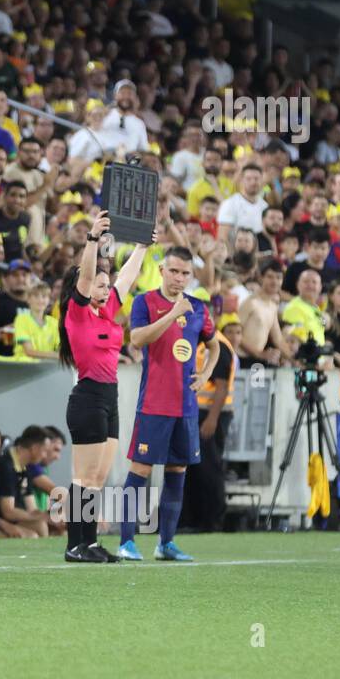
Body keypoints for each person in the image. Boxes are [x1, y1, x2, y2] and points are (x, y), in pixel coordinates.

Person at [118, 246, 223, 562]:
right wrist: (172, 314)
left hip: (186, 406)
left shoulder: (199, 309)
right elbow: (137, 340)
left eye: (185, 273)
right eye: (174, 271)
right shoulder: (145, 302)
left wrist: (205, 374)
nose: (179, 278)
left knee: (177, 470)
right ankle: (126, 542)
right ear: (162, 270)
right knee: (140, 469)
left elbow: (215, 347)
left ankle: (166, 543)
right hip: (153, 403)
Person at [57, 210, 149, 562]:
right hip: (88, 397)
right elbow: (85, 277)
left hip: (109, 396)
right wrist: (93, 239)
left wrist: (141, 248)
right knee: (83, 475)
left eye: (106, 284)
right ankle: (74, 546)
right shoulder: (76, 312)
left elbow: (125, 278)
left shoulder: (108, 310)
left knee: (99, 475)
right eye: (99, 283)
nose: (106, 287)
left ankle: (91, 542)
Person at [183, 313, 239, 533]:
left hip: (211, 414)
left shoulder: (218, 346)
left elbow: (222, 386)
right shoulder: (201, 342)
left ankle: (212, 519)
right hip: (198, 412)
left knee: (209, 468)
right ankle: (195, 519)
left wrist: (212, 420)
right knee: (194, 468)